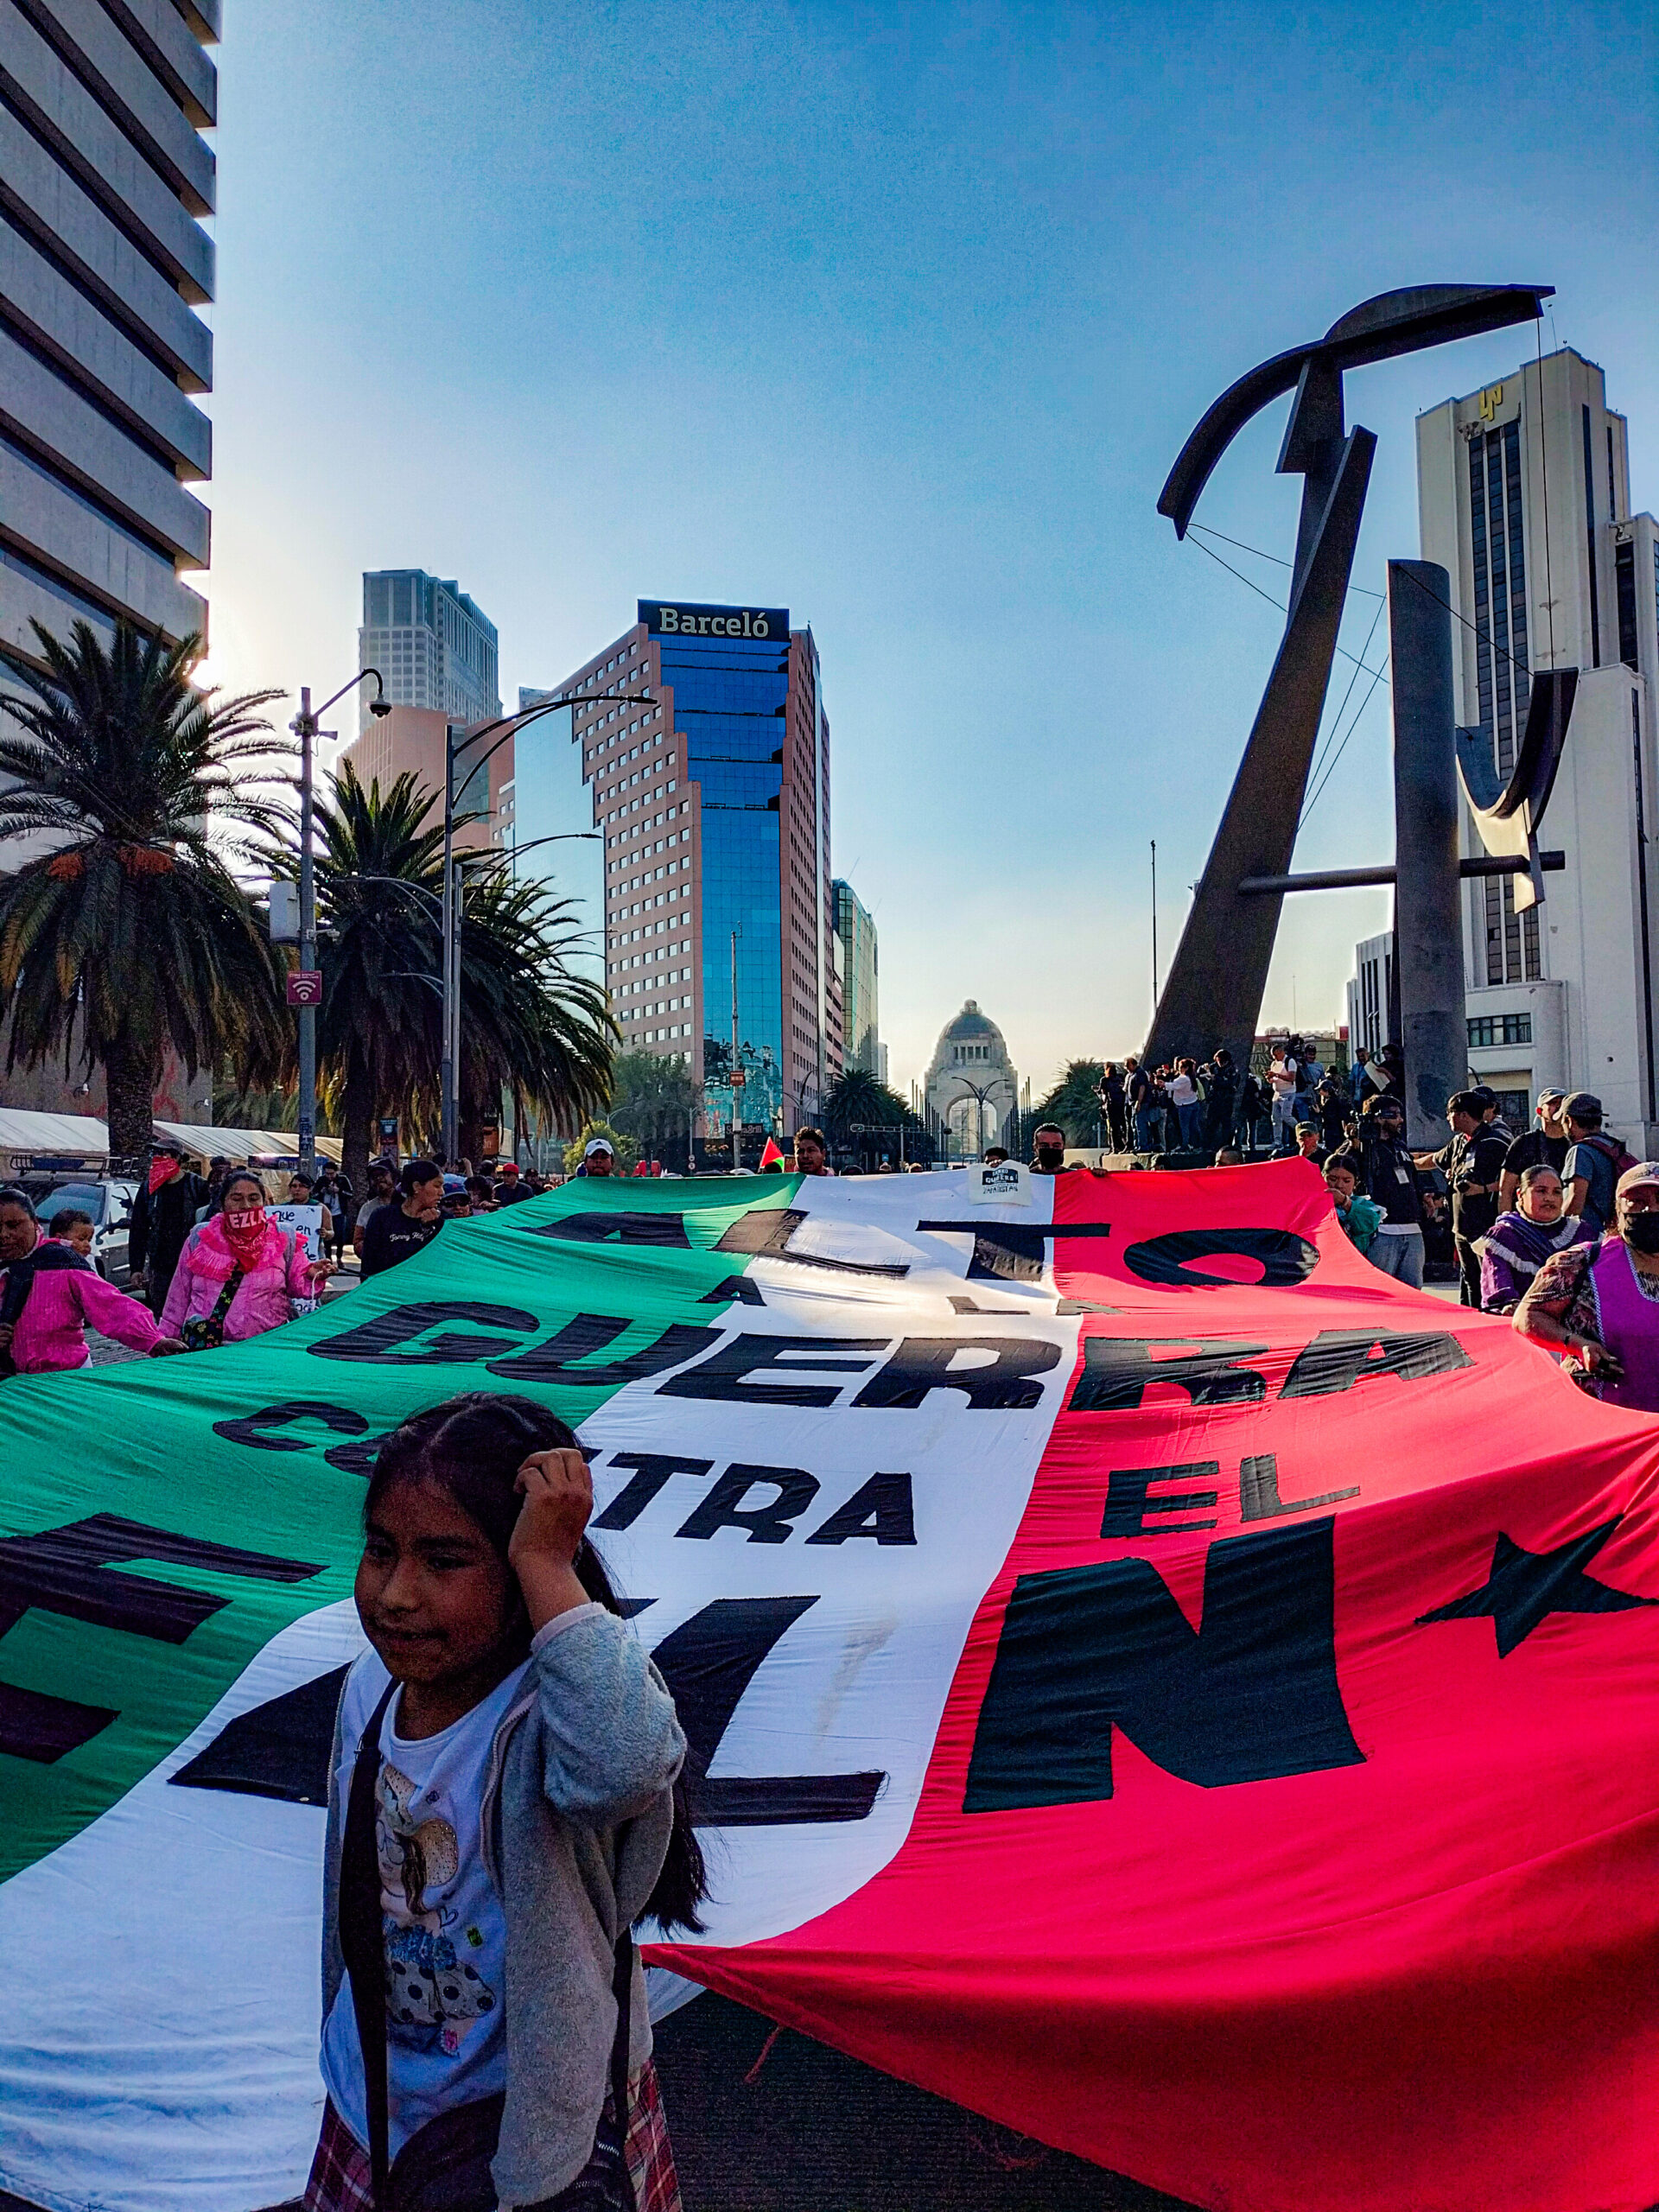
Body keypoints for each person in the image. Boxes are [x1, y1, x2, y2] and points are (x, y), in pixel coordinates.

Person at [305, 1394, 697, 2212]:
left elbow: (628, 1764)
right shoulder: (370, 1690)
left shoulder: (549, 1713)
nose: (397, 1594)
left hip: (536, 2132)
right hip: (375, 2097)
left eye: (445, 1561)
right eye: (381, 1551)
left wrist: (551, 1568)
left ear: (522, 1567)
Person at [1515, 1162, 1659, 1411]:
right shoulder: (1581, 1263)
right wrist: (1576, 1344)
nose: (1651, 1209)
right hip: (1605, 1417)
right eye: (1636, 1200)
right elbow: (1527, 1316)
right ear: (1618, 1209)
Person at [0, 1188, 177, 1374]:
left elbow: (112, 1306)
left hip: (66, 1377)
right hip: (11, 1387)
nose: (4, 1234)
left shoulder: (62, 1262)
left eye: (13, 1225)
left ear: (34, 1223)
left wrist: (154, 1341)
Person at [162, 1170, 330, 1345]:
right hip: (209, 1350)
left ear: (264, 1202)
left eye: (253, 1198)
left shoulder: (282, 1237)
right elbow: (178, 1297)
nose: (246, 1206)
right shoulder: (200, 1238)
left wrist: (314, 1274)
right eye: (236, 1199)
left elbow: (300, 1285)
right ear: (222, 1204)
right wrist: (166, 1341)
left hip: (267, 1348)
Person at [1419, 1090, 1510, 1307]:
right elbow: (1435, 1159)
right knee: (1469, 1281)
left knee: (1489, 1281)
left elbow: (1516, 1180)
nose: (1447, 1118)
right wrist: (1409, 1162)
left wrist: (1482, 1188)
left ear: (1464, 1115)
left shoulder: (1495, 1143)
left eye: (1450, 1113)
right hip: (1461, 1226)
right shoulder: (1459, 1141)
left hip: (1485, 1226)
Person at [1479, 1164, 1594, 1314]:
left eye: (1557, 1192)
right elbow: (1498, 1285)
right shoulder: (1503, 1236)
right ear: (1520, 1195)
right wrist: (1510, 1306)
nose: (1549, 1198)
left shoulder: (1581, 1232)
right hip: (1524, 1319)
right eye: (1541, 1191)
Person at [129, 1137, 208, 1317]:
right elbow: (138, 1229)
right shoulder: (148, 1189)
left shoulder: (197, 1186)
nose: (158, 1158)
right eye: (155, 1154)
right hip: (161, 1267)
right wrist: (136, 1268)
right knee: (163, 1315)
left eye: (164, 1154)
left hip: (192, 1264)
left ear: (178, 1158)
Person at [1354, 1096, 1426, 1287]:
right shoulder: (1363, 1148)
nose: (1400, 1120)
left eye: (1400, 1115)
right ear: (1378, 1117)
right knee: (1380, 1291)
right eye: (1394, 1115)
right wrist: (1353, 1143)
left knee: (1413, 1292)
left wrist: (1425, 1196)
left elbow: (1412, 1177)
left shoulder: (1399, 1145)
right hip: (1382, 1231)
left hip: (1412, 1228)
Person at [1561, 1091, 1636, 1235]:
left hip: (1588, 1236)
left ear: (1569, 1121)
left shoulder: (1580, 1151)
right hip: (1612, 1232)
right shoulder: (1613, 1147)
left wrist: (1556, 1230)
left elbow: (1575, 1202)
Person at [359, 1160, 446, 1281]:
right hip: (388, 1293)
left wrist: (431, 1229)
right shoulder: (382, 1217)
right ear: (416, 1187)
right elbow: (368, 1264)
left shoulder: (443, 1221)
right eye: (437, 1186)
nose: (442, 1192)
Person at [1498, 1090, 1569, 1214]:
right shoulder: (1525, 1143)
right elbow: (1505, 1189)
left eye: (1562, 1103)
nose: (1558, 1107)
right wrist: (1506, 1222)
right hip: (1529, 1219)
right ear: (1539, 1111)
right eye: (1552, 1103)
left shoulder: (1574, 1144)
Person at [1323, 1152, 1382, 1258]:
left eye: (1346, 1181)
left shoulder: (1363, 1205)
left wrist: (1345, 1203)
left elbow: (1370, 1223)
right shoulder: (1310, 1203)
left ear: (1355, 1183)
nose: (1339, 1185)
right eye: (1333, 1179)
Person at [353, 1160, 398, 1259]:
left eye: (382, 1174)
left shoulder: (408, 1203)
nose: (378, 1178)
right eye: (374, 1177)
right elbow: (357, 1242)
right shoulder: (367, 1208)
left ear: (394, 1176)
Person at [289, 1172, 334, 1265]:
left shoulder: (320, 1208)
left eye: (301, 1186)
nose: (297, 1189)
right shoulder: (283, 1209)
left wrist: (325, 1233)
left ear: (310, 1189)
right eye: (294, 1186)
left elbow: (331, 1232)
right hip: (290, 1255)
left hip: (314, 1253)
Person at [1267, 1046, 1299, 1154]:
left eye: (1276, 1055)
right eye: (1273, 1056)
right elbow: (1274, 1079)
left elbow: (1291, 1078)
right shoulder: (1274, 1064)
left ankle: (1301, 1131)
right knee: (1275, 1118)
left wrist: (1276, 1075)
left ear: (1281, 1052)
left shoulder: (1290, 1061)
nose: (1275, 1058)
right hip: (1277, 1092)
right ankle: (1277, 1142)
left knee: (1286, 1116)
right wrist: (1270, 1078)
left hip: (1288, 1092)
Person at [1168, 1058, 1203, 1149]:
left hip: (1185, 1105)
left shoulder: (1183, 1079)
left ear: (1186, 1068)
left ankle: (1185, 1144)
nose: (1179, 1069)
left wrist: (1162, 1084)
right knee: (1194, 1125)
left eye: (1180, 1067)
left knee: (1184, 1126)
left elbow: (1173, 1086)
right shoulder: (1192, 1078)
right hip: (1194, 1103)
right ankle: (1197, 1144)